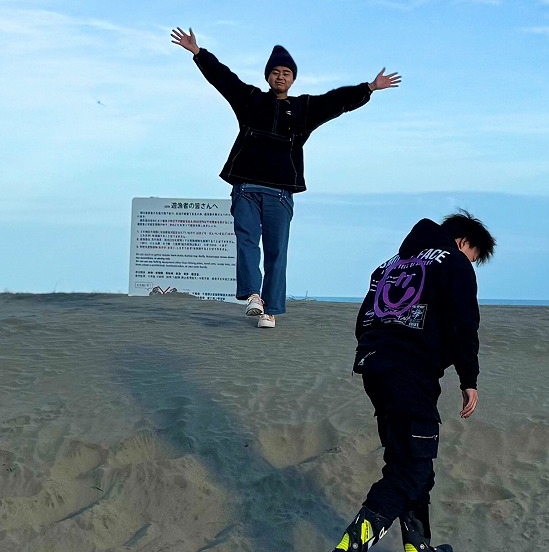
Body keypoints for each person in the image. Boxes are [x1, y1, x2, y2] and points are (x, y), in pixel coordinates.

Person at [171, 27, 399, 328]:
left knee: (277, 252)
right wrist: (199, 53)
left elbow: (336, 101)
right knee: (246, 241)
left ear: (293, 79)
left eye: (286, 73)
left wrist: (369, 88)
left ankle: (270, 310)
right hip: (246, 187)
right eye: (276, 72)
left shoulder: (304, 109)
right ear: (268, 76)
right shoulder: (250, 100)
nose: (281, 77)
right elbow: (223, 78)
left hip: (279, 193)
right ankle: (254, 296)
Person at [324, 210, 496, 552]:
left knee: (410, 460)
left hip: (376, 368)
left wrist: (377, 354)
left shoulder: (391, 264)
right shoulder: (453, 263)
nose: (471, 264)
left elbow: (364, 320)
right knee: (411, 469)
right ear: (463, 242)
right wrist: (468, 379)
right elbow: (464, 325)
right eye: (473, 257)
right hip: (411, 374)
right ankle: (349, 551)